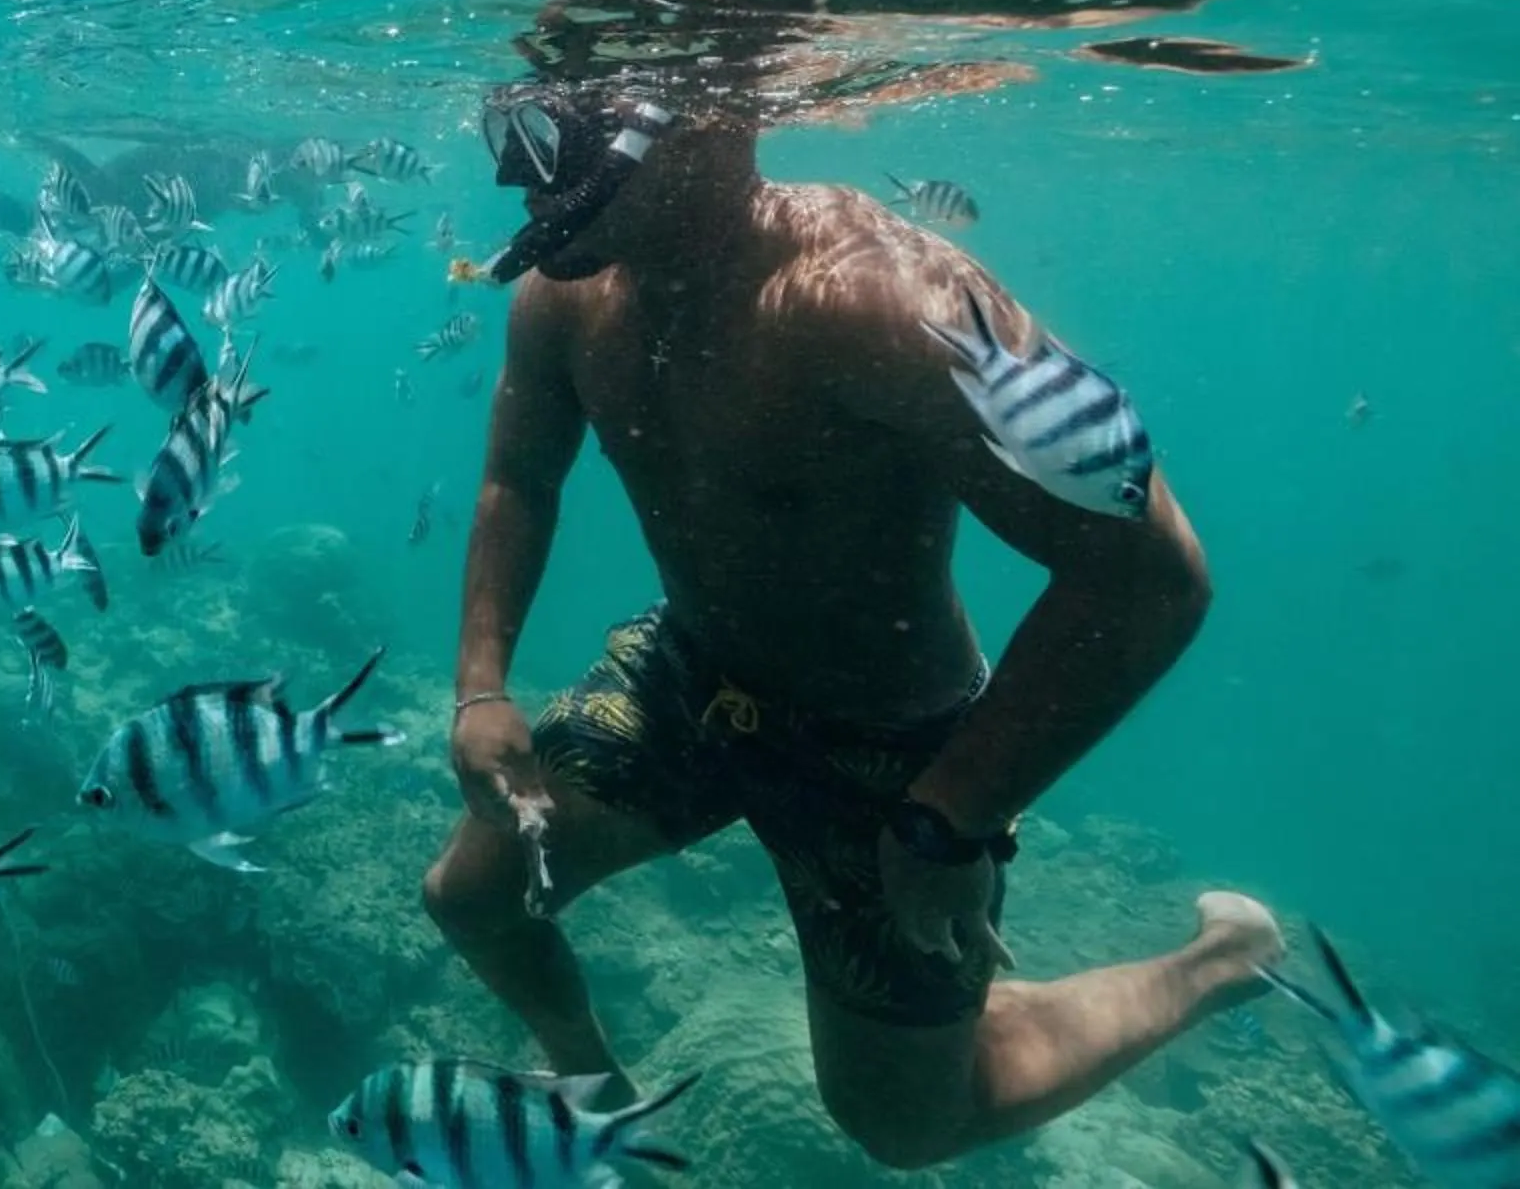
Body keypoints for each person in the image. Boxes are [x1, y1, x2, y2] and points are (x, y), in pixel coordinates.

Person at [422, 80, 1280, 1169]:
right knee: (475, 898)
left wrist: (955, 815)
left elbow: (1152, 579)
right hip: (693, 669)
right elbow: (518, 477)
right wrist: (481, 684)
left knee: (905, 1123)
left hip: (891, 743)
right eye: (517, 122)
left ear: (710, 124)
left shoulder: (878, 301)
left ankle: (1216, 962)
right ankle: (599, 1100)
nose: (521, 174)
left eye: (563, 132)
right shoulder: (565, 295)